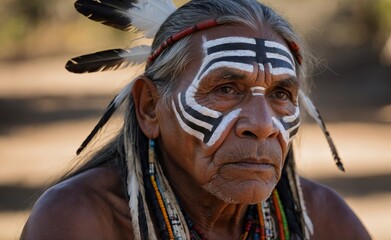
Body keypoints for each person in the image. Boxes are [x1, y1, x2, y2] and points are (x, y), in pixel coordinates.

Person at [21, 0, 371, 239]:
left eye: (281, 95)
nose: (262, 124)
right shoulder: (81, 221)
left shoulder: (322, 220)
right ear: (148, 107)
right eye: (227, 88)